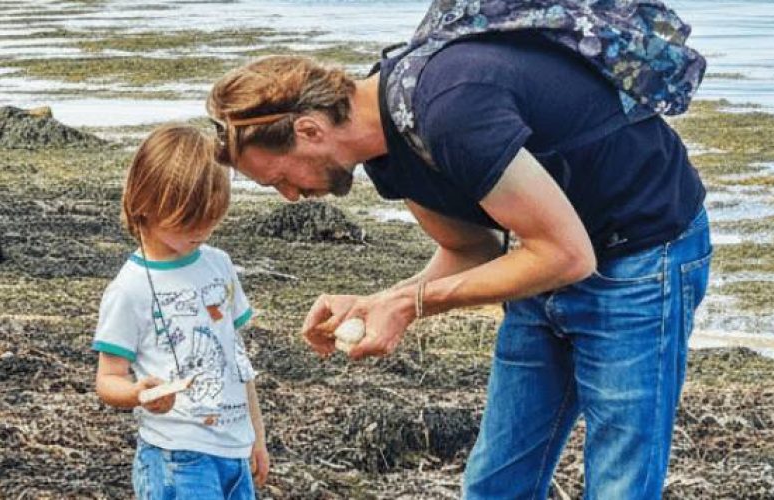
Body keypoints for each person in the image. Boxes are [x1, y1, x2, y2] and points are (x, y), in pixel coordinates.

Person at [206, 30, 711, 498]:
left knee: (619, 484)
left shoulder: (449, 111)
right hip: (545, 259)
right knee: (494, 482)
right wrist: (379, 302)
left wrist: (409, 304)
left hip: (643, 252)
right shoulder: (390, 147)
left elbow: (567, 255)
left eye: (279, 179)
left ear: (310, 129)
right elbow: (474, 251)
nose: (291, 197)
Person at [91, 123, 269, 499]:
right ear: (147, 203)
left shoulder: (219, 264)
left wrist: (256, 435)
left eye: (213, 218)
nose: (203, 231)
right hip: (176, 454)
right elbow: (108, 379)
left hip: (234, 450)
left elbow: (237, 357)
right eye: (190, 220)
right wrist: (137, 393)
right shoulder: (130, 288)